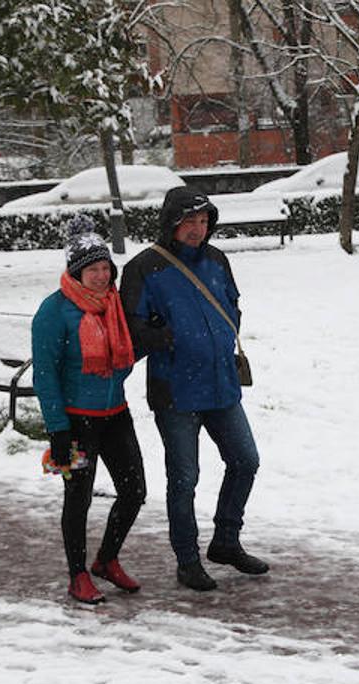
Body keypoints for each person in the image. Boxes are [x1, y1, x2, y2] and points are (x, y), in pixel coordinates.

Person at [121, 187, 268, 592]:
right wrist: (165, 337)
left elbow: (232, 303)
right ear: (172, 223)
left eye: (204, 222)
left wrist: (224, 334)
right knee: (185, 477)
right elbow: (130, 325)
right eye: (190, 222)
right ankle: (187, 559)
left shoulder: (217, 260)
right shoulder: (143, 268)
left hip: (221, 385)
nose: (197, 230)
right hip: (175, 390)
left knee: (246, 461)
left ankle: (225, 540)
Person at [32, 215, 147, 604]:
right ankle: (78, 574)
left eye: (105, 268)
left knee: (134, 491)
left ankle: (107, 560)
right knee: (78, 500)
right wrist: (57, 430)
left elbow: (124, 358)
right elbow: (45, 375)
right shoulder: (54, 311)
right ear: (75, 272)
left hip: (116, 413)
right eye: (92, 269)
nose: (101, 276)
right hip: (77, 421)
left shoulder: (115, 306)